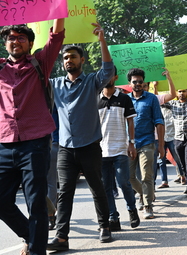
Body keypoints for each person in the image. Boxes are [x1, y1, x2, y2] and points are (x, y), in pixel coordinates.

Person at [47, 23, 114, 251]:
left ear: (82, 60)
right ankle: (62, 237)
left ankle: (104, 226)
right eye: (65, 57)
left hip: (90, 146)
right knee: (65, 192)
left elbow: (107, 70)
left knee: (97, 187)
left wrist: (102, 40)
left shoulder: (91, 82)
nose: (68, 60)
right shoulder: (55, 84)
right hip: (65, 148)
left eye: (73, 57)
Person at [0, 19, 65, 255]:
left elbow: (56, 36)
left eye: (21, 38)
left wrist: (59, 9)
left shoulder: (40, 64)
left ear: (29, 44)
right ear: (5, 44)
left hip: (35, 143)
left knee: (36, 202)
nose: (15, 41)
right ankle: (30, 235)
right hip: (4, 144)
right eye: (11, 38)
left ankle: (37, 251)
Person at [98, 66, 140, 231]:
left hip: (120, 148)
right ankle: (113, 217)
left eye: (109, 75)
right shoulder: (95, 99)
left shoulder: (124, 99)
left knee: (124, 182)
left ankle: (132, 210)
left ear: (115, 77)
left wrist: (131, 143)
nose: (106, 78)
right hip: (101, 151)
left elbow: (130, 122)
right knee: (106, 187)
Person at [127, 68, 165, 219]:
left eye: (140, 82)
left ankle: (148, 205)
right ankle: (144, 193)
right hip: (130, 144)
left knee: (146, 175)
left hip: (147, 142)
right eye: (134, 82)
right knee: (129, 177)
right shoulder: (125, 100)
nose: (137, 84)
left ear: (144, 83)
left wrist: (161, 145)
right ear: (129, 83)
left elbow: (159, 122)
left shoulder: (151, 99)